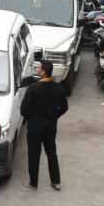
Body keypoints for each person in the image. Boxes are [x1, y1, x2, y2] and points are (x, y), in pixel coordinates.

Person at [20, 60, 68, 190]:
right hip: (50, 126)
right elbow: (64, 107)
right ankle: (56, 181)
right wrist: (54, 116)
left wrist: (31, 118)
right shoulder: (57, 87)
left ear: (43, 71)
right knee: (51, 152)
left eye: (38, 68)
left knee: (34, 154)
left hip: (35, 127)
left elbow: (23, 109)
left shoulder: (33, 88)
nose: (37, 69)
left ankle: (33, 183)